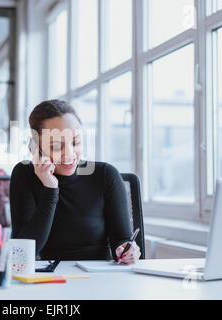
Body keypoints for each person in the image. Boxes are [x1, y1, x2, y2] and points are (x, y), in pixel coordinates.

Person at [10, 100, 141, 264]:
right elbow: (23, 252)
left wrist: (127, 250)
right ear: (36, 147)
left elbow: (121, 241)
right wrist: (50, 189)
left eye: (76, 142)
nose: (70, 154)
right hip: (51, 279)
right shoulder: (24, 175)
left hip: (99, 278)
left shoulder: (106, 175)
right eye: (57, 146)